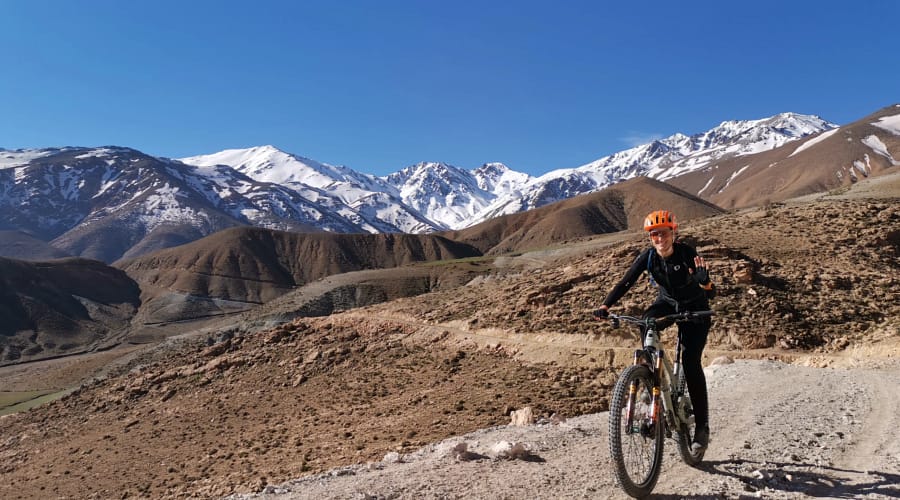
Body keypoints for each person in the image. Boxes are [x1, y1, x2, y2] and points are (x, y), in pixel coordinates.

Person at [594, 209, 714, 452]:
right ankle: (649, 373)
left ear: (673, 232)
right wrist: (606, 305)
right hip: (667, 304)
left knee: (691, 362)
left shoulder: (686, 253)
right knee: (646, 320)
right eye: (654, 235)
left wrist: (705, 282)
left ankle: (701, 427)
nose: (659, 239)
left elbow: (711, 294)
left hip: (695, 309)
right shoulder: (649, 257)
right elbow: (625, 282)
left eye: (664, 233)